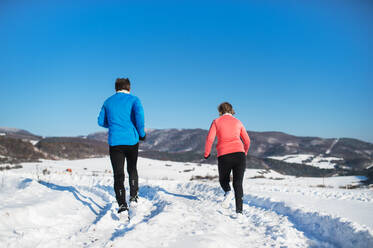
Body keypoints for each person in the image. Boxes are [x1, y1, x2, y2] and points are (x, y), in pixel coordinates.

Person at [98, 78, 146, 214]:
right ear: (129, 88)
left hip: (115, 142)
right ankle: (133, 197)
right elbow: (140, 117)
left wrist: (113, 124)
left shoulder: (108, 101)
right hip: (131, 141)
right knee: (132, 169)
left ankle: (122, 204)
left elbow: (101, 121)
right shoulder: (135, 100)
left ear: (115, 88)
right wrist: (141, 133)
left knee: (118, 174)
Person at [204, 102, 251, 215]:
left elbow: (210, 139)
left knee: (223, 180)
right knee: (238, 183)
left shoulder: (216, 121)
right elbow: (247, 140)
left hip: (224, 155)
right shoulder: (238, 122)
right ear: (231, 110)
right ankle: (239, 212)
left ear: (220, 111)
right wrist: (244, 152)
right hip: (239, 154)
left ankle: (228, 192)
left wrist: (207, 153)